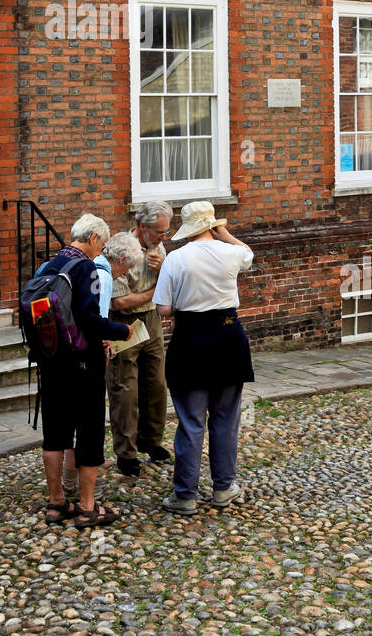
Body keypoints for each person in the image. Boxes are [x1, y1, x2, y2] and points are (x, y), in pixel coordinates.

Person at [153, 201, 255, 516]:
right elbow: (248, 253)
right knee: (225, 419)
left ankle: (185, 495)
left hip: (191, 341)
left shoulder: (175, 259)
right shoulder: (231, 253)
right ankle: (224, 488)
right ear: (211, 226)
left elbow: (163, 310)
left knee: (191, 421)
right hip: (228, 338)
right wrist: (223, 232)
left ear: (187, 228)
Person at [35, 214, 132, 528]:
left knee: (55, 434)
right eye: (101, 244)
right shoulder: (86, 268)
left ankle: (56, 503)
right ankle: (88, 507)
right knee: (89, 431)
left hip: (50, 362)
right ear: (93, 238)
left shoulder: (47, 266)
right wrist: (120, 330)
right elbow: (90, 320)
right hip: (82, 363)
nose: (100, 251)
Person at [60, 230, 144, 504]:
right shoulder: (103, 275)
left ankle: (66, 483)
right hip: (87, 357)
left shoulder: (67, 264)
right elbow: (96, 319)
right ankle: (86, 496)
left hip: (64, 354)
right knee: (89, 426)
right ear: (120, 259)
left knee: (66, 424)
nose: (123, 275)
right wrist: (117, 334)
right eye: (127, 269)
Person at [106, 201, 173, 476]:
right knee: (125, 389)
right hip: (125, 324)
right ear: (142, 227)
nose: (163, 237)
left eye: (166, 232)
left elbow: (171, 285)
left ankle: (151, 442)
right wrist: (156, 289)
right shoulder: (121, 248)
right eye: (159, 232)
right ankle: (126, 453)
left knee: (156, 384)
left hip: (152, 321)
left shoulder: (160, 249)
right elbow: (120, 302)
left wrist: (164, 269)